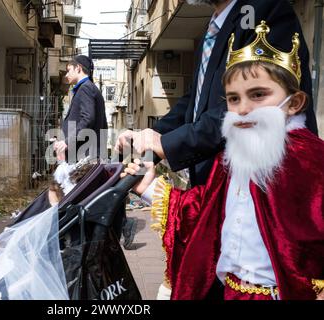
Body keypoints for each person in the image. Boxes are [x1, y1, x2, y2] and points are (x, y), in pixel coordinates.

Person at [122, 21, 324, 300]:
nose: (243, 109)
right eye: (233, 98)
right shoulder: (232, 158)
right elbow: (203, 215)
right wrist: (149, 187)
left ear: (294, 103)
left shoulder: (313, 162)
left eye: (258, 95)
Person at [115, 0, 318, 188]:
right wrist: (151, 137)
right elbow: (193, 101)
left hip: (260, 187)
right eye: (233, 97)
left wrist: (166, 144)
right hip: (213, 188)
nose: (240, 103)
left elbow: (250, 111)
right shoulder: (213, 29)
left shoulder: (266, 10)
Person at [54, 55, 108, 163]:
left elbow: (88, 119)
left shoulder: (85, 88)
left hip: (84, 156)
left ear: (78, 68)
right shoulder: (91, 88)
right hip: (88, 155)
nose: (66, 75)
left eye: (69, 70)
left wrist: (67, 142)